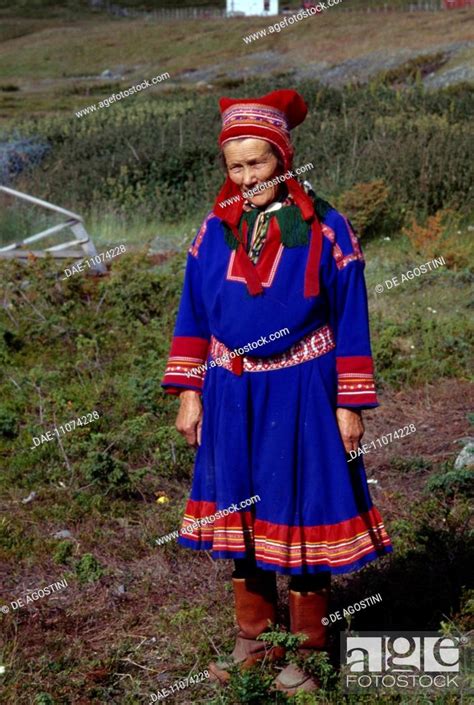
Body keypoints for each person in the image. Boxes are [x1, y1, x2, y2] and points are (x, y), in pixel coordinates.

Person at [161, 89, 392, 696]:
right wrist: (190, 394)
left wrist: (349, 403)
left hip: (303, 388)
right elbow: (193, 314)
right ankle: (255, 641)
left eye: (257, 164)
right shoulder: (213, 230)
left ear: (283, 159)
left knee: (304, 512)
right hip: (231, 391)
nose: (245, 178)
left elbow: (352, 317)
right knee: (242, 512)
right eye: (234, 167)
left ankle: (309, 655)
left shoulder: (326, 227)